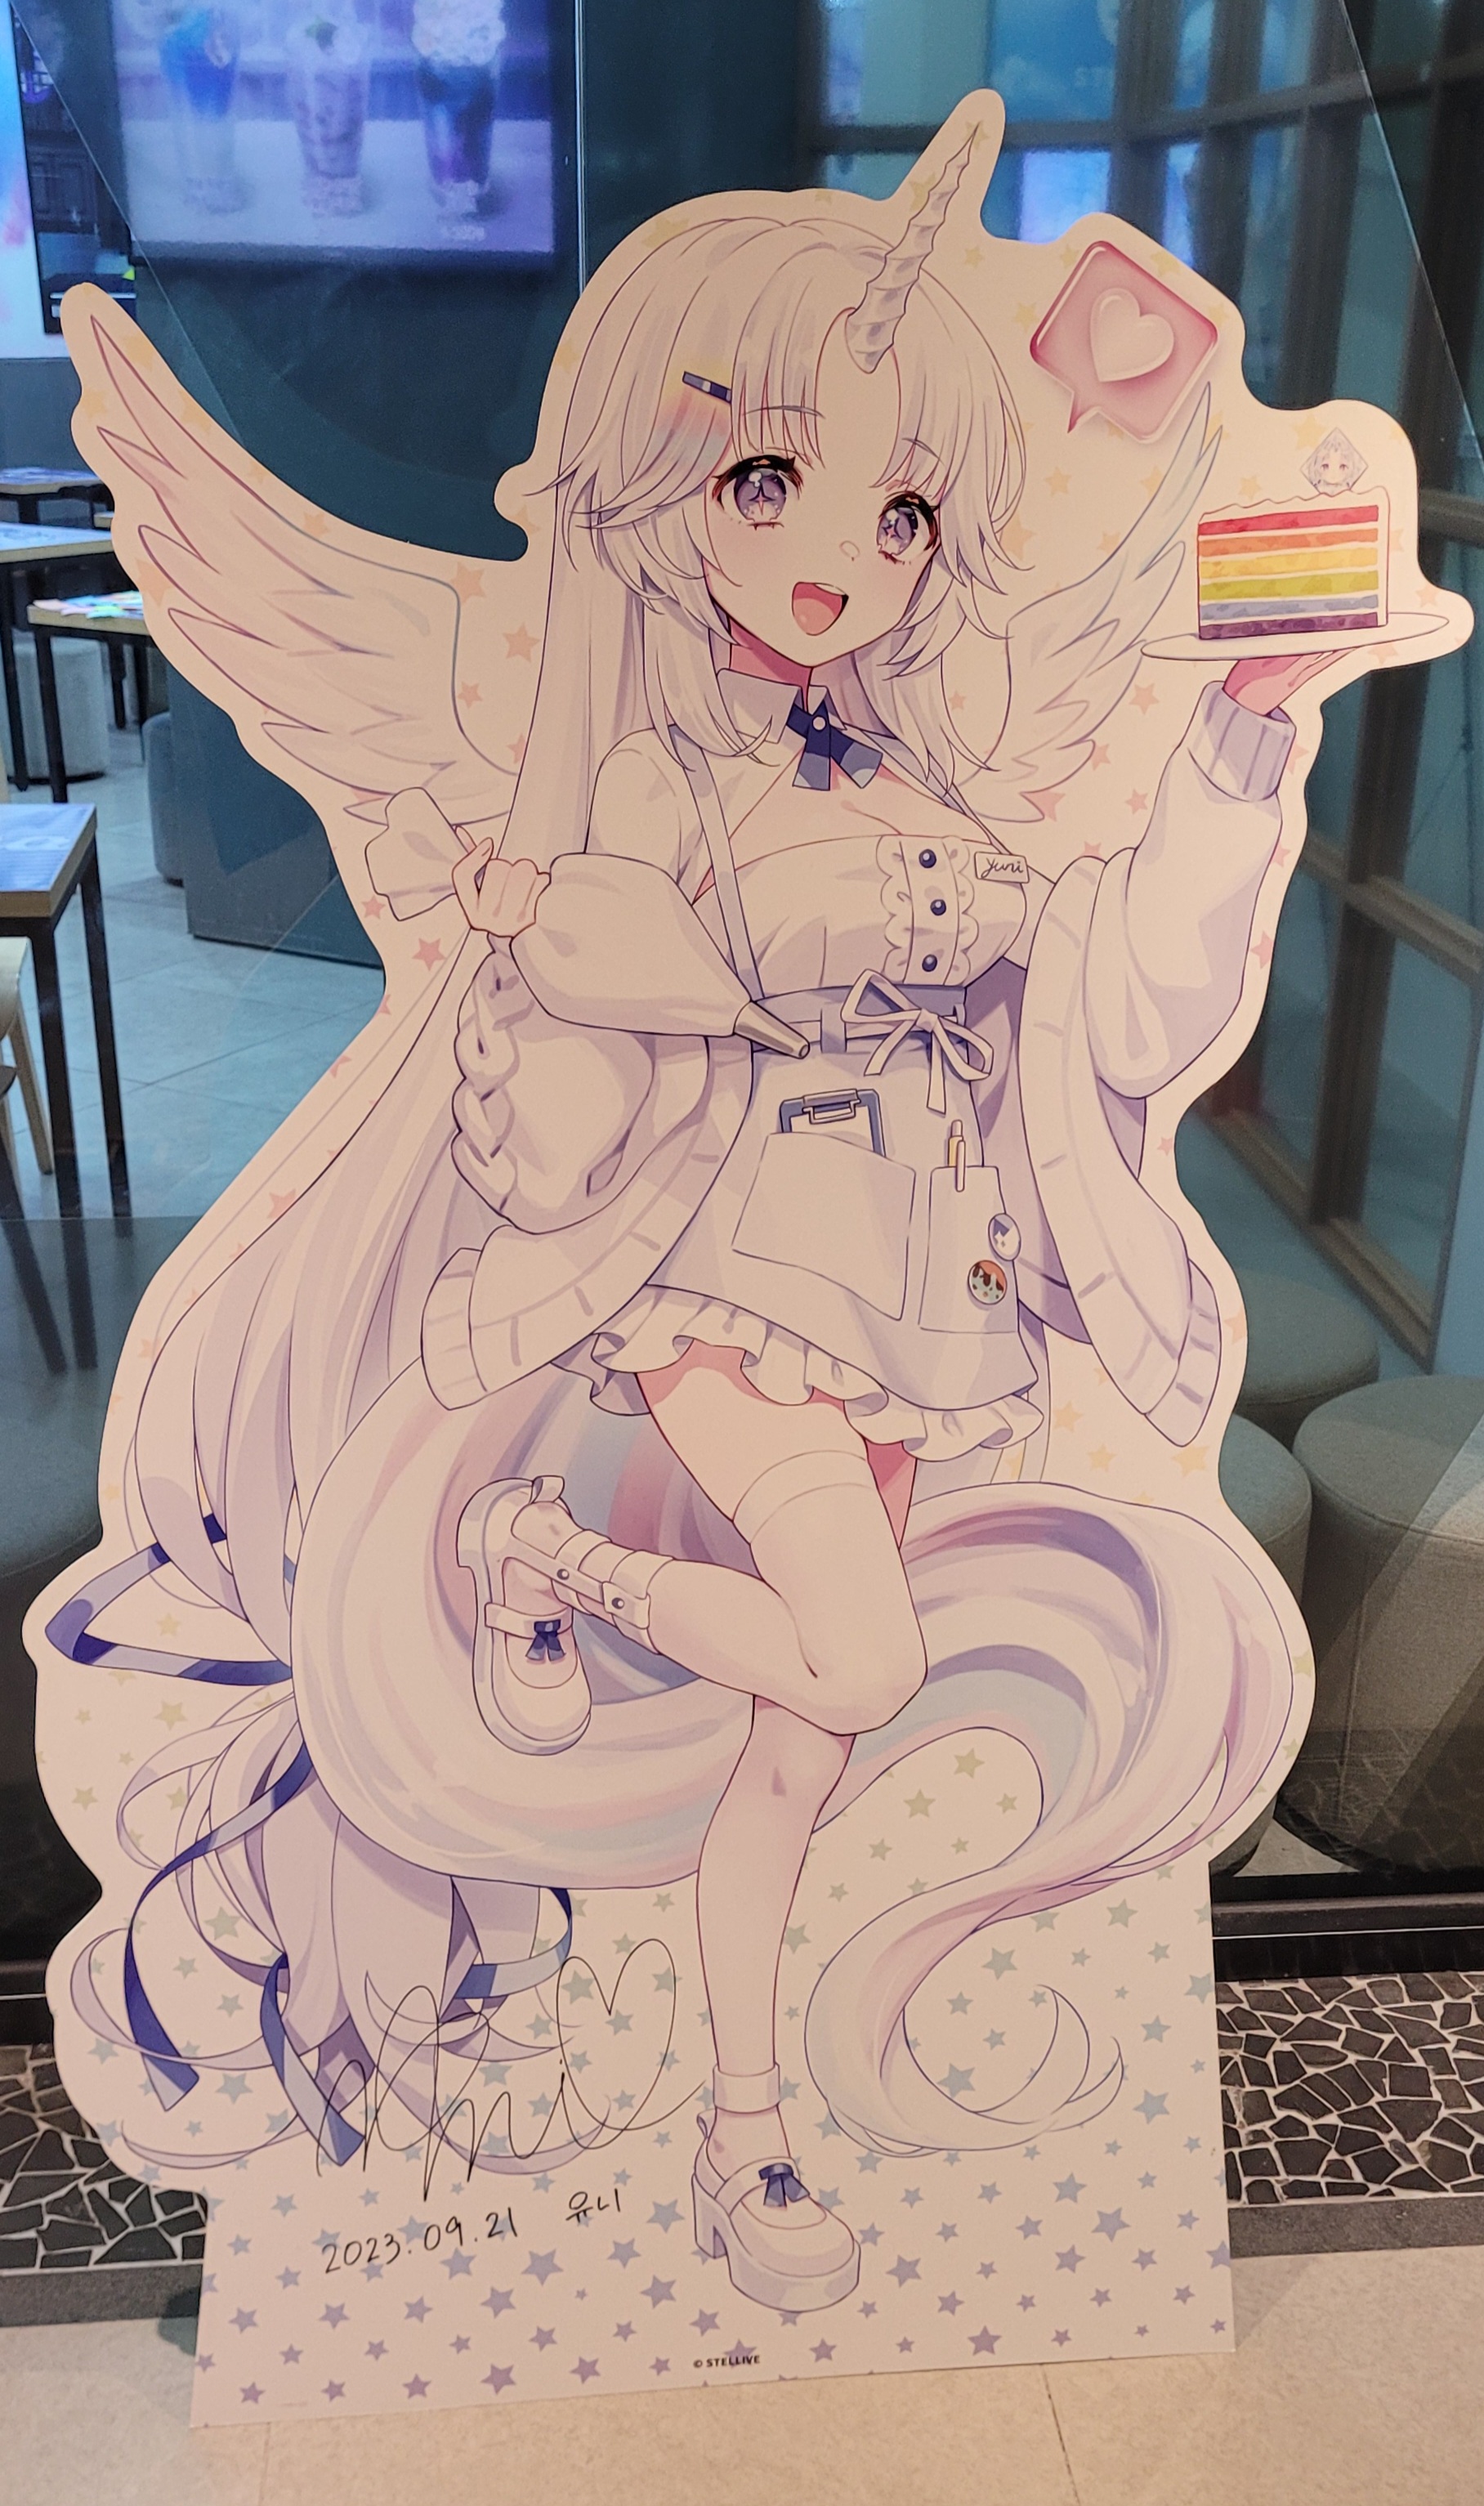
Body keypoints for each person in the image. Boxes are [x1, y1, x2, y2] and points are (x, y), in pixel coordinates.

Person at [46, 124, 1303, 2316]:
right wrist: (715, 945)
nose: (840, 557)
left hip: (916, 1297)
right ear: (667, 482)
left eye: (897, 514)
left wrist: (1236, 756)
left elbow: (1105, 998)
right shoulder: (632, 765)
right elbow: (586, 986)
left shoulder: (900, 755)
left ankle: (745, 2134)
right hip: (724, 1281)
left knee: (801, 1752)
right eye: (770, 479)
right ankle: (550, 1560)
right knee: (865, 1656)